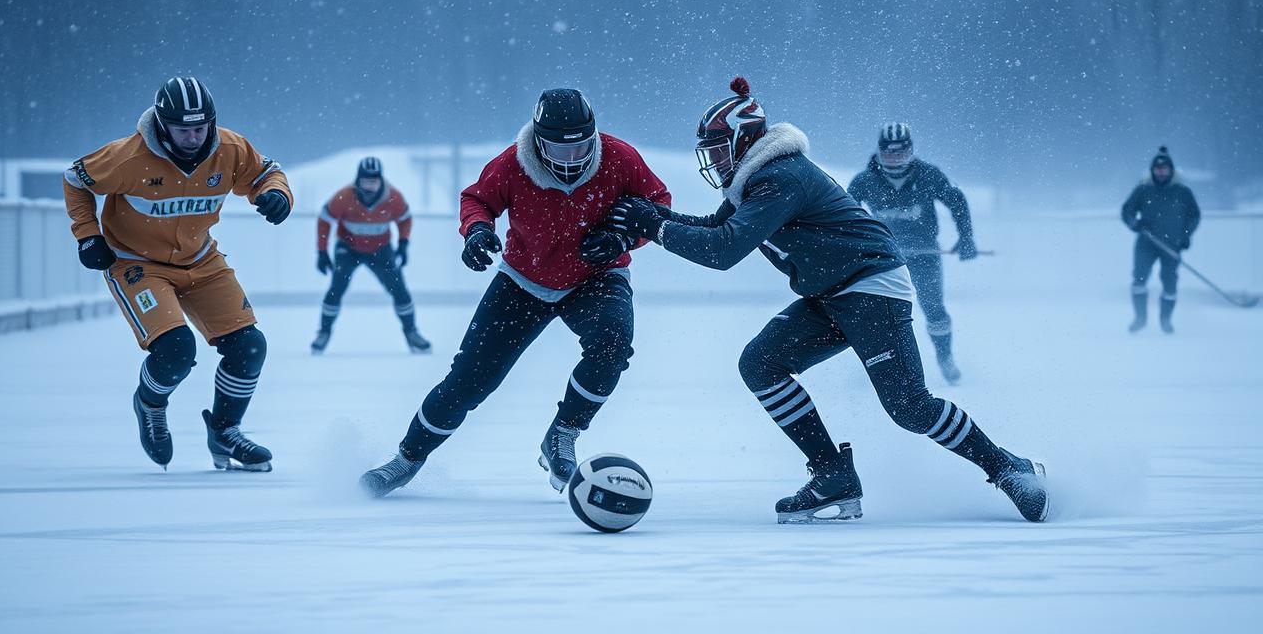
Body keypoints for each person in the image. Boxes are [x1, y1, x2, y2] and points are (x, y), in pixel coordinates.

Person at [607, 77, 1048, 523]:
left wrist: (655, 226)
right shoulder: (759, 177)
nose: (714, 160)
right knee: (760, 364)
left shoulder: (778, 178)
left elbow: (723, 250)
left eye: (718, 150)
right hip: (834, 292)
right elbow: (713, 227)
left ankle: (1009, 468)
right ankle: (832, 475)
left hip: (870, 287)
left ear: (744, 140)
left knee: (910, 407)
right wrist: (650, 216)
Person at [360, 89, 671, 497]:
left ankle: (563, 433)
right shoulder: (513, 163)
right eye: (558, 150)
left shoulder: (620, 158)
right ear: (537, 142)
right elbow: (476, 199)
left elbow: (658, 204)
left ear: (595, 136)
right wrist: (476, 231)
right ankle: (406, 458)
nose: (570, 160)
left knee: (613, 343)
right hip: (523, 281)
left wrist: (622, 239)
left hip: (597, 277)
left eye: (581, 148)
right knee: (470, 380)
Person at [63, 76, 291, 471]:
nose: (193, 138)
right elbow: (74, 180)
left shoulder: (230, 149)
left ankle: (225, 431)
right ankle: (150, 403)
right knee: (176, 350)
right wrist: (87, 235)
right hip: (137, 264)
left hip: (201, 259)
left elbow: (266, 172)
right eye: (182, 129)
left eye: (201, 128)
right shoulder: (126, 157)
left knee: (250, 346)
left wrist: (278, 195)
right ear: (161, 124)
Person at [846, 124, 976, 384]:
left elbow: (957, 201)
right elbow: (845, 214)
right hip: (885, 257)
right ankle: (885, 366)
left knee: (933, 308)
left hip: (925, 254)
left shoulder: (929, 175)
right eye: (888, 152)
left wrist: (966, 237)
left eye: (901, 152)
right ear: (879, 151)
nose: (895, 158)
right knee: (882, 314)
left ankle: (945, 356)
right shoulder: (864, 181)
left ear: (911, 150)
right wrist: (852, 245)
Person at [312, 156, 431, 355]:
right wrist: (322, 251)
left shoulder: (394, 198)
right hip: (348, 249)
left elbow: (405, 219)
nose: (369, 187)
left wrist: (403, 244)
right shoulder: (344, 197)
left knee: (400, 291)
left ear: (381, 180)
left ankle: (412, 333)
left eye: (374, 182)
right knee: (336, 289)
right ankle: (323, 333)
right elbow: (325, 219)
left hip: (381, 250)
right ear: (357, 180)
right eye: (365, 181)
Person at [1121, 146, 1200, 334]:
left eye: (1164, 168)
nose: (1161, 172)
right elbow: (1127, 211)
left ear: (1171, 170)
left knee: (1170, 283)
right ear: (1152, 170)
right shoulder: (1143, 190)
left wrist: (1185, 236)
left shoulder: (1183, 192)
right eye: (1157, 168)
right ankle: (1140, 319)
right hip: (1146, 243)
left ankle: (1166, 320)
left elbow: (1194, 216)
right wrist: (1135, 223)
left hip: (1172, 245)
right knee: (1139, 280)